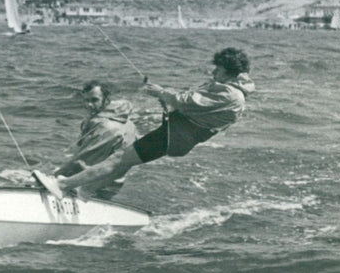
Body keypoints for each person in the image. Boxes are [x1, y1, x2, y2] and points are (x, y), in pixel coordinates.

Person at [51, 48, 254, 197]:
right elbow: (193, 109)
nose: (213, 74)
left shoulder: (230, 94)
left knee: (118, 159)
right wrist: (164, 97)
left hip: (172, 137)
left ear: (229, 72)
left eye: (217, 70)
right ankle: (87, 190)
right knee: (127, 162)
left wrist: (161, 93)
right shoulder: (234, 91)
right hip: (177, 138)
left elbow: (184, 101)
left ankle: (63, 186)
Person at [50, 81, 138, 200]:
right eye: (86, 100)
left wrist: (54, 178)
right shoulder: (120, 117)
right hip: (111, 179)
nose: (89, 105)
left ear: (106, 98)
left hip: (100, 185)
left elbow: (83, 159)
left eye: (94, 100)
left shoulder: (107, 127)